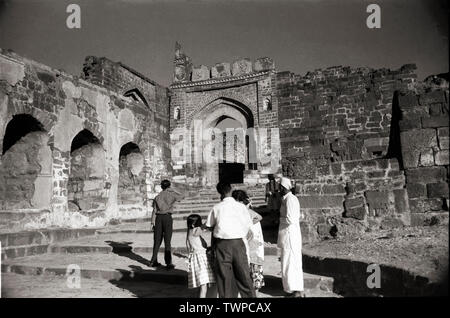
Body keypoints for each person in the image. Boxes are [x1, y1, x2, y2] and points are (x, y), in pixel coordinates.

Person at [205, 182, 255, 298]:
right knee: (244, 275)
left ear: (219, 193)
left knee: (224, 278)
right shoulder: (241, 207)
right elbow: (248, 224)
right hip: (238, 243)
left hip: (223, 245)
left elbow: (209, 225)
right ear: (231, 190)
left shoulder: (216, 208)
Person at [232, 190, 265, 297]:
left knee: (254, 278)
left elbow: (259, 218)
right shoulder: (243, 212)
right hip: (250, 249)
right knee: (250, 278)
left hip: (253, 249)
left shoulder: (247, 212)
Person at [278, 177, 305, 298]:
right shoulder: (287, 199)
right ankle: (291, 288)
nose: (278, 189)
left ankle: (295, 290)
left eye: (280, 187)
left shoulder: (290, 200)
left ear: (284, 188)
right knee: (288, 261)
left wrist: (279, 219)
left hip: (290, 234)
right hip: (288, 234)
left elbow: (291, 219)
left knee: (291, 261)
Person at [149, 179, 184, 269]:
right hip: (167, 218)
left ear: (161, 187)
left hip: (158, 219)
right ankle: (168, 263)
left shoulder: (157, 197)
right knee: (167, 241)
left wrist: (152, 222)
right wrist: (173, 189)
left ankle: (153, 261)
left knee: (157, 241)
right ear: (169, 186)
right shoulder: (171, 194)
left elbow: (154, 210)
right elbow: (182, 196)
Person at [186, 214, 216, 298]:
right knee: (204, 286)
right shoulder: (195, 231)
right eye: (199, 223)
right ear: (193, 225)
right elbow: (204, 227)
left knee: (203, 285)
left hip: (197, 258)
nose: (200, 225)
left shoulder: (190, 231)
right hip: (200, 260)